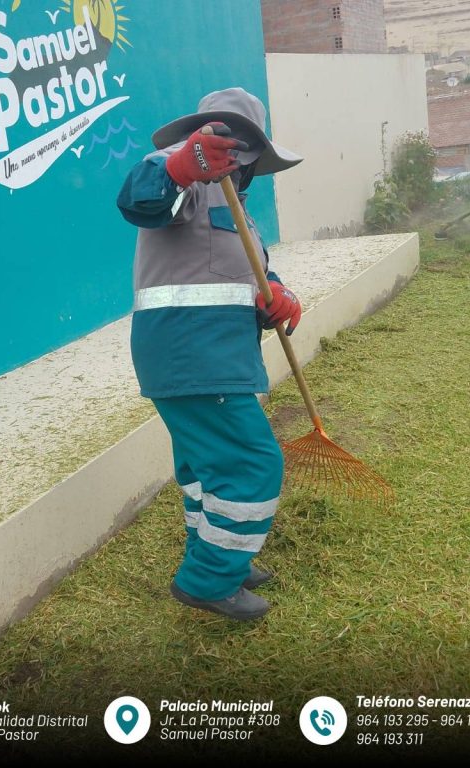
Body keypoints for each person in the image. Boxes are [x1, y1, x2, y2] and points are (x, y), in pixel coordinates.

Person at [115, 88, 303, 621]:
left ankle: (221, 558)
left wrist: (274, 293)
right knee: (251, 463)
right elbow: (140, 200)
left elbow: (241, 272)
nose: (239, 162)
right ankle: (209, 579)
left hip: (216, 354)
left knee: (205, 469)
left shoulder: (238, 210)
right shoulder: (182, 175)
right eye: (232, 150)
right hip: (191, 351)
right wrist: (182, 166)